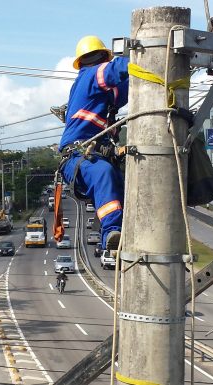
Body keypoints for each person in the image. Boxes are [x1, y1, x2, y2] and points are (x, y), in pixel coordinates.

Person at [56, 35, 129, 251]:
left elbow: (126, 87)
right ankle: (111, 233)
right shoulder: (90, 77)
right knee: (104, 173)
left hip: (92, 156)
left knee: (123, 184)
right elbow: (115, 70)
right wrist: (142, 57)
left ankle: (125, 231)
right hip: (78, 157)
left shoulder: (102, 92)